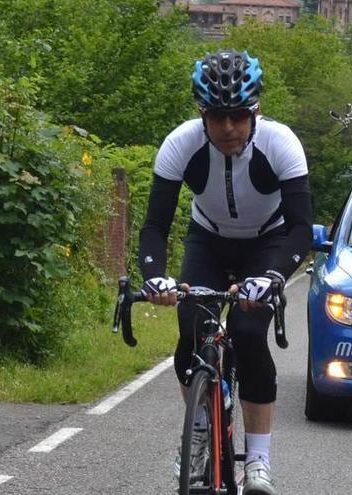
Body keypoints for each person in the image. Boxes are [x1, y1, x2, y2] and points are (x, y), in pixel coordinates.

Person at [138, 49, 312, 495]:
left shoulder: (281, 143)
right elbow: (155, 226)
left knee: (250, 335)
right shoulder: (180, 144)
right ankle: (198, 434)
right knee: (191, 331)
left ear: (256, 111)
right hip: (208, 241)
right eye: (218, 117)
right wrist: (155, 276)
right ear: (202, 114)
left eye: (238, 116)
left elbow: (299, 230)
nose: (229, 128)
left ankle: (258, 459)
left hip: (268, 243)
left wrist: (273, 277)